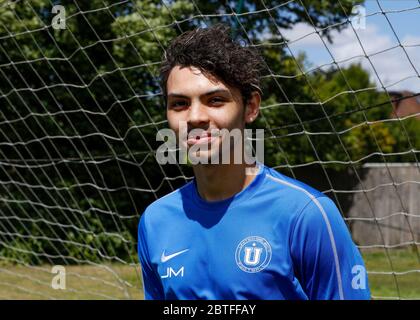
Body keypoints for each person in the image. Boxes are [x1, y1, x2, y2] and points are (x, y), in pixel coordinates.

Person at [137, 24, 370, 300]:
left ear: (251, 107)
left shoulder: (307, 215)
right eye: (180, 104)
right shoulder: (155, 221)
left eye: (215, 100)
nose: (195, 117)